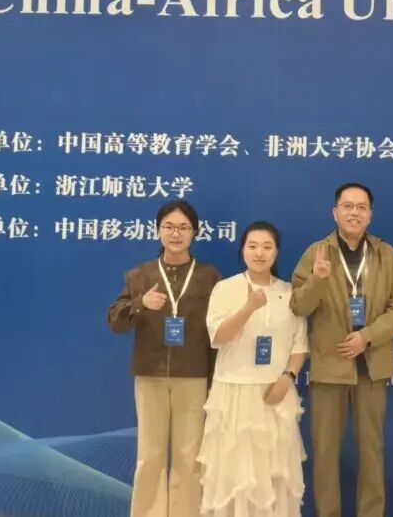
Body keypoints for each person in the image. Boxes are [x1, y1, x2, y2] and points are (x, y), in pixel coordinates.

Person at [290, 182, 393, 517]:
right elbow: (299, 305)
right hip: (329, 366)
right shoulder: (317, 252)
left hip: (372, 366)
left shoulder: (385, 254)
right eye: (347, 206)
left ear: (370, 215)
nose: (354, 213)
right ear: (335, 212)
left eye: (361, 207)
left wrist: (367, 336)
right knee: (325, 452)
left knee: (372, 451)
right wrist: (317, 279)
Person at [108, 200, 220, 517]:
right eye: (169, 227)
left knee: (189, 456)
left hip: (193, 375)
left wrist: (214, 380)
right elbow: (115, 321)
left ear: (194, 233)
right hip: (150, 374)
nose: (175, 234)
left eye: (183, 228)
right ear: (158, 230)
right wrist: (140, 304)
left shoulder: (209, 277)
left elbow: (217, 332)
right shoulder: (139, 275)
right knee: (150, 455)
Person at [199, 221, 308, 517]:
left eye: (267, 247)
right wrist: (248, 307)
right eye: (253, 246)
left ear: (276, 253)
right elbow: (217, 337)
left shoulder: (289, 292)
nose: (259, 253)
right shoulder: (225, 288)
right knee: (234, 476)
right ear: (242, 250)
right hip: (233, 394)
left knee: (274, 475)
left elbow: (299, 345)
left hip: (275, 395)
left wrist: (288, 378)